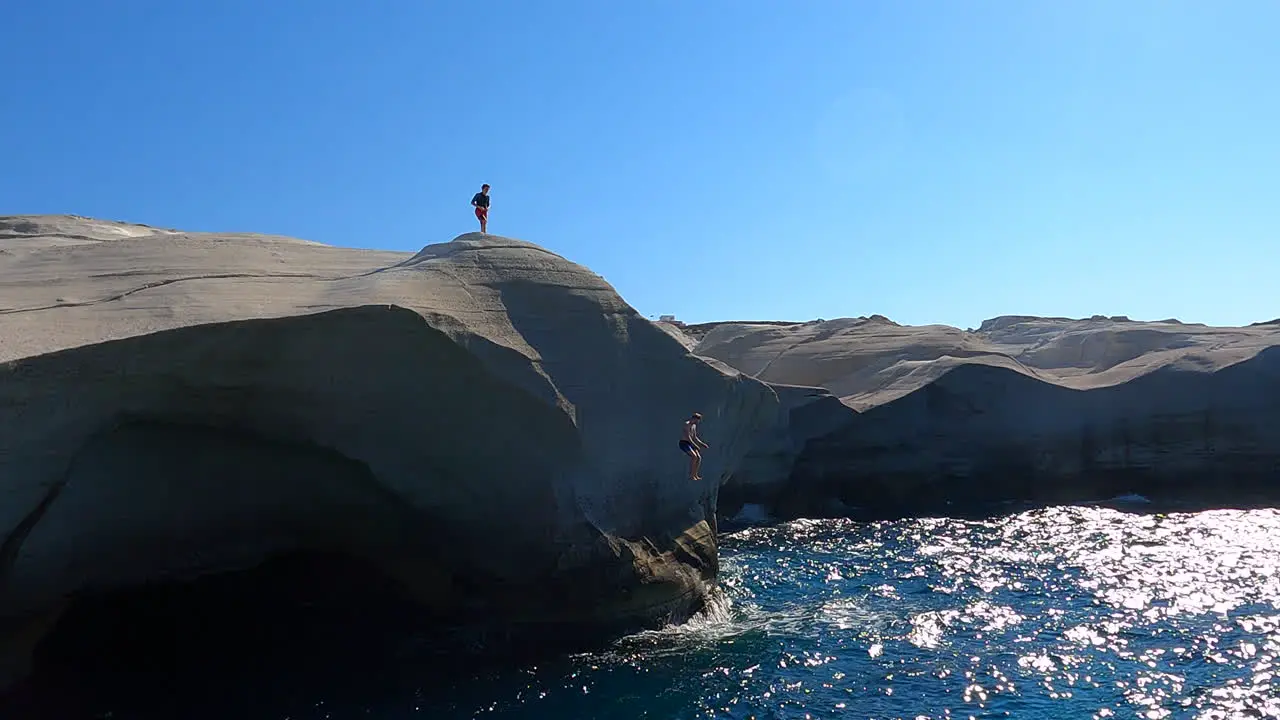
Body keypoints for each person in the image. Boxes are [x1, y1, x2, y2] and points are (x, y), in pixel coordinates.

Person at [679, 412, 710, 481]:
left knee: (699, 458)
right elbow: (688, 437)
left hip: (690, 443)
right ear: (694, 418)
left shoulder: (694, 426)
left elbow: (695, 437)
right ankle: (691, 475)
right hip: (684, 443)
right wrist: (695, 445)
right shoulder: (687, 424)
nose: (698, 422)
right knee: (694, 456)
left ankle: (695, 474)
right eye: (698, 420)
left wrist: (702, 444)